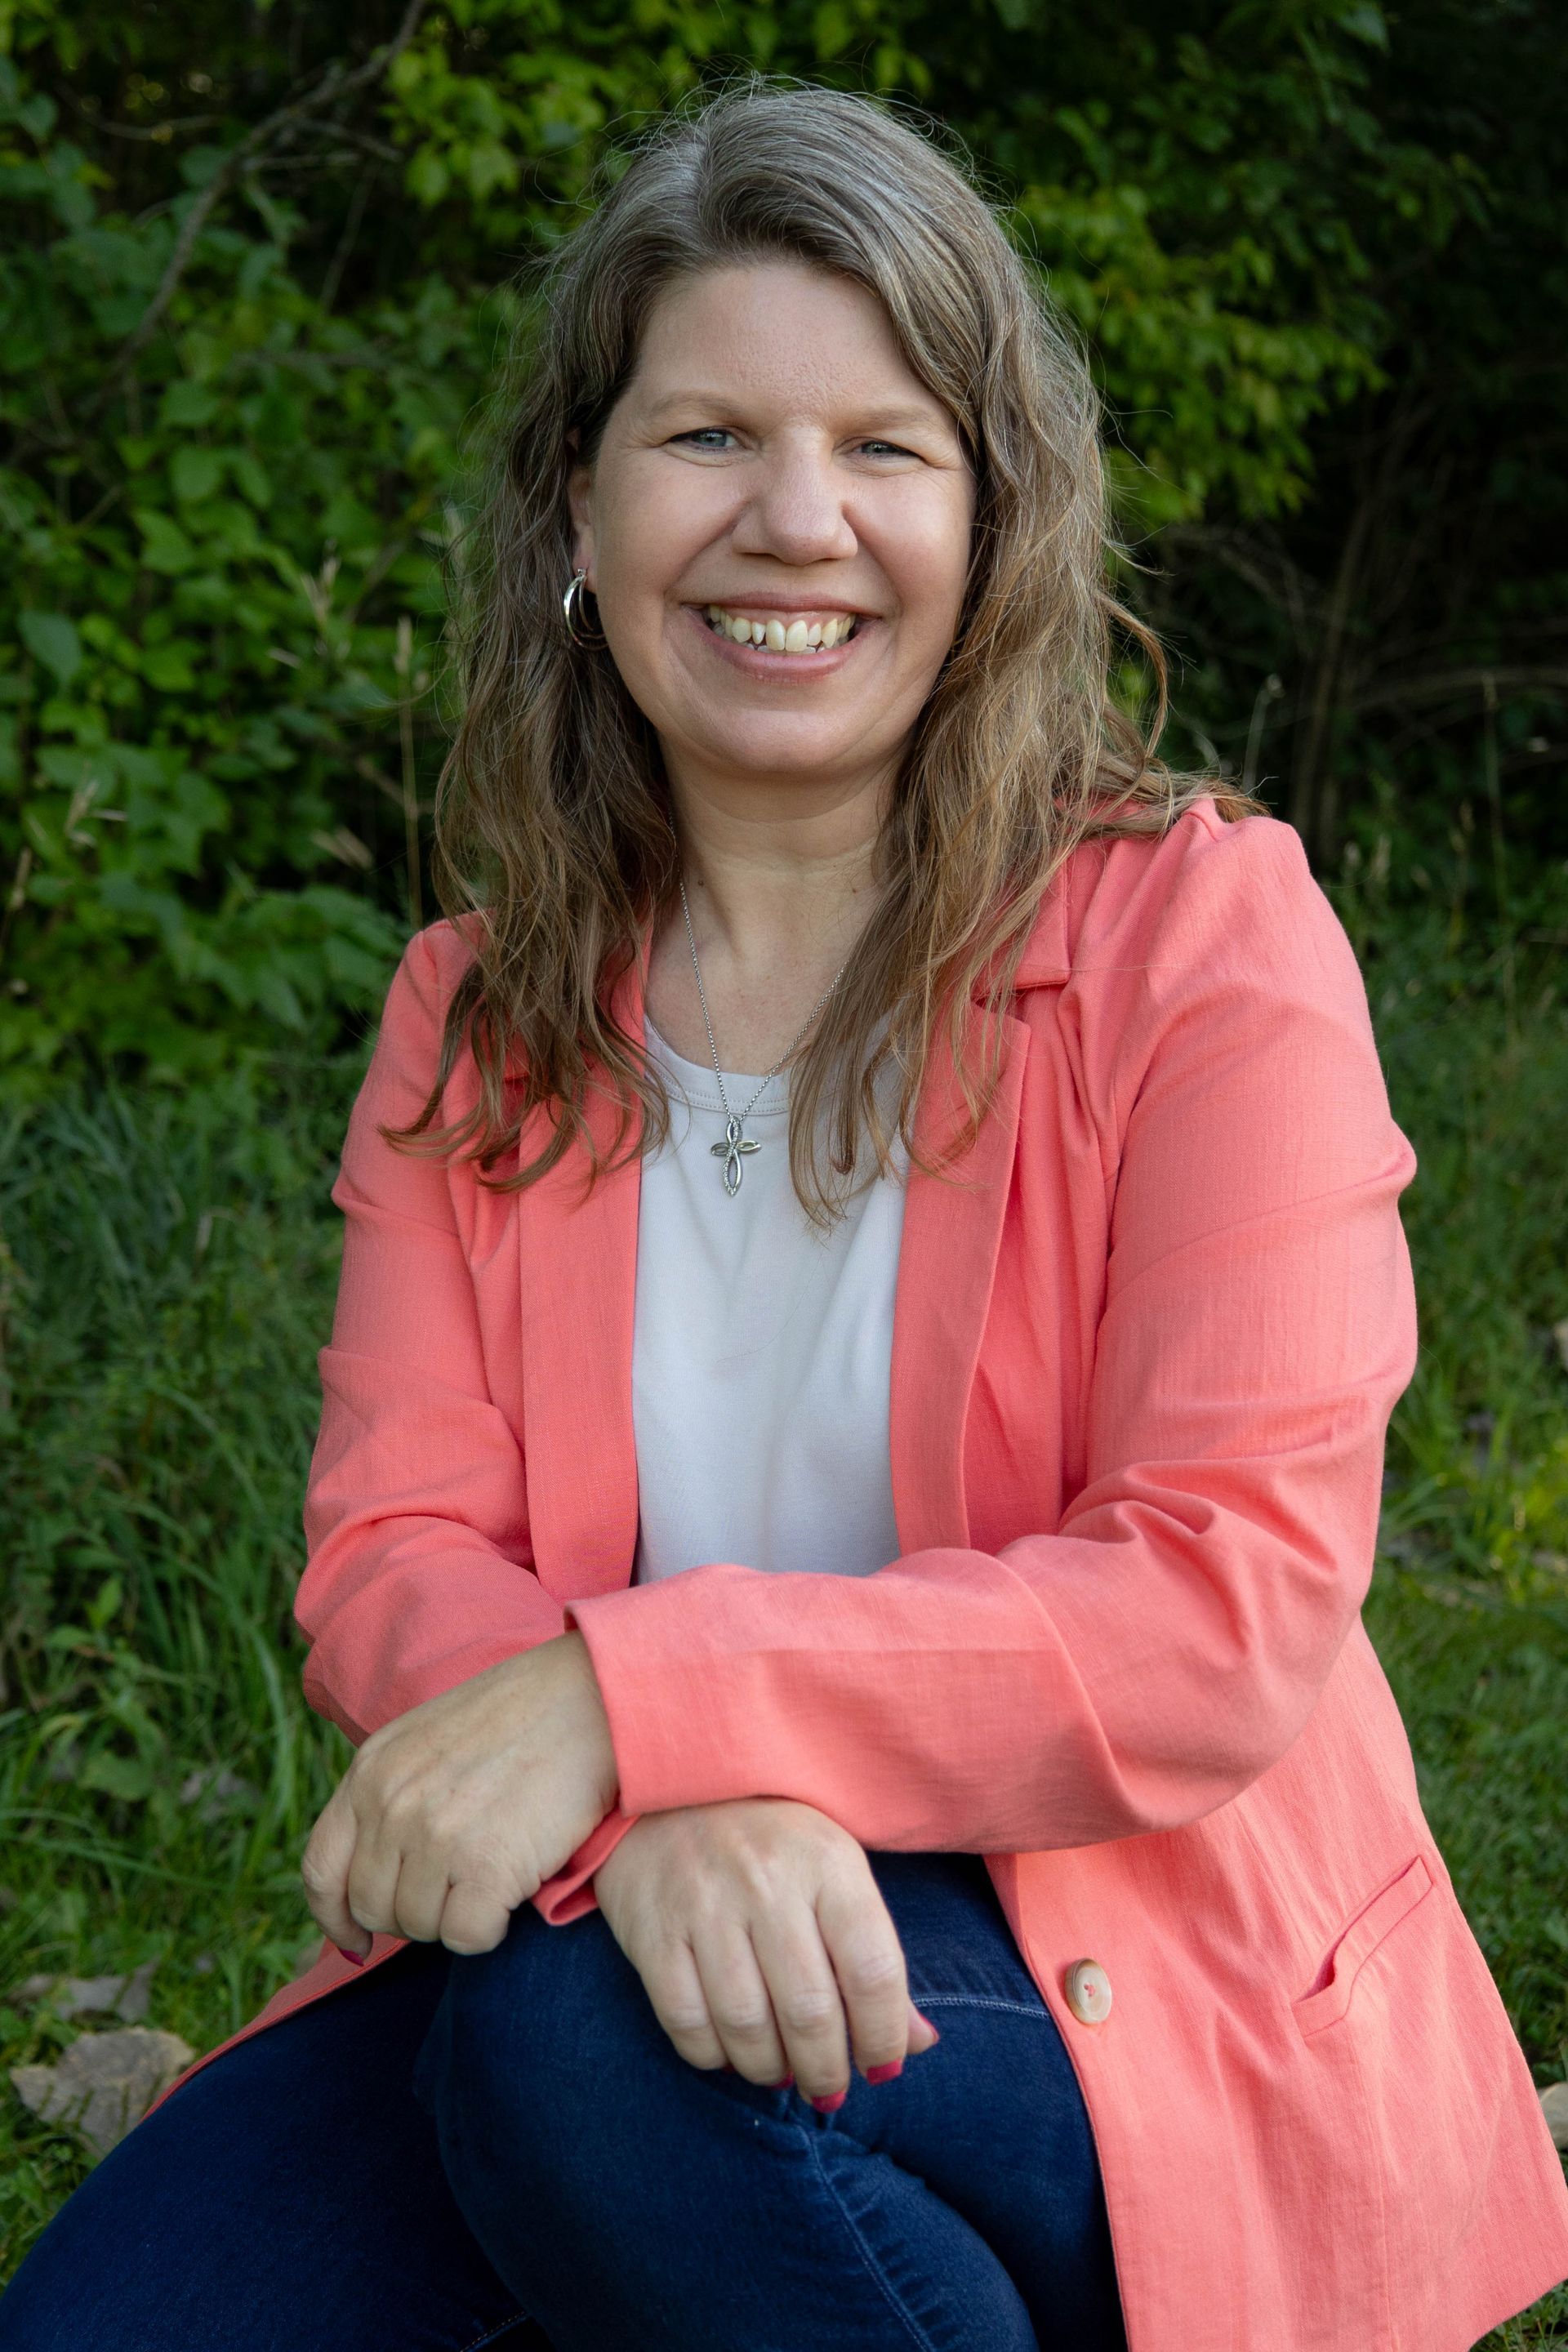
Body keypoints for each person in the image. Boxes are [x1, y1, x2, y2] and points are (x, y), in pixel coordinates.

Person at [3, 78, 1566, 2352]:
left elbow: (1222, 1604)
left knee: (599, 2074)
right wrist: (645, 1813)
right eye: (709, 438)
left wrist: (635, 1708)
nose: (795, 521)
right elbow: (390, 1550)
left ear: (992, 517)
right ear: (580, 505)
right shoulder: (475, 1005)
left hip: (1110, 1954)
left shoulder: (1201, 945)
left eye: (885, 447)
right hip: (595, 1907)